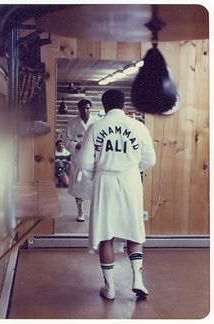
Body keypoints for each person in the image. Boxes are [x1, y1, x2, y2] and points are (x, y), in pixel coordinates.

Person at [79, 89, 156, 300]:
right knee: (134, 231)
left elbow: (85, 162)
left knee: (106, 234)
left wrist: (95, 175)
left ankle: (110, 288)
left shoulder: (96, 127)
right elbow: (150, 160)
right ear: (123, 105)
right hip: (130, 180)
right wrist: (130, 167)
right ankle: (138, 281)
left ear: (103, 106)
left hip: (105, 181)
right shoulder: (138, 127)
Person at [63, 99, 97, 222]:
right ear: (79, 109)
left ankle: (95, 213)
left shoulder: (97, 122)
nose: (85, 110)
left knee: (95, 188)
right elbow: (65, 141)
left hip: (94, 160)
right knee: (79, 187)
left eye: (88, 108)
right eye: (83, 108)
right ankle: (80, 212)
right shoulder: (72, 123)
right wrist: (77, 145)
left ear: (91, 108)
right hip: (78, 159)